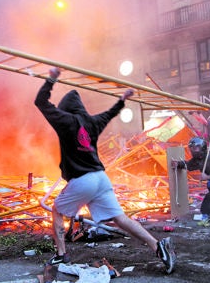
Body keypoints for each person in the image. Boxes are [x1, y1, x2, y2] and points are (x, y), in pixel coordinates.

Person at [34, 67, 176, 274]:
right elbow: (110, 114)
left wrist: (51, 79)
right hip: (101, 178)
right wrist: (122, 100)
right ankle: (157, 246)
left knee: (57, 209)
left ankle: (60, 255)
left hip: (83, 180)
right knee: (120, 218)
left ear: (66, 109)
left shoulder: (65, 121)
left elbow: (41, 102)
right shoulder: (92, 122)